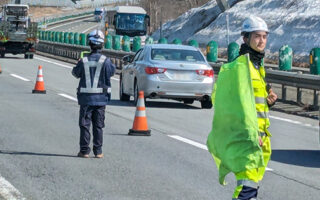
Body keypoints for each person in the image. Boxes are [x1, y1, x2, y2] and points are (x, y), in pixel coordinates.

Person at [207, 15, 277, 200]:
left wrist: (268, 100)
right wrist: (252, 134)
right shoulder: (240, 67)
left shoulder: (256, 66)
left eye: (264, 36)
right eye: (256, 36)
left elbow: (253, 101)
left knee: (251, 185)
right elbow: (239, 105)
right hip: (248, 136)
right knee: (247, 187)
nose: (261, 41)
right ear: (245, 38)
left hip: (259, 136)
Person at [72, 30, 115, 159]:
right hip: (101, 99)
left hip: (86, 99)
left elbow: (75, 73)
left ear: (89, 43)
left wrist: (78, 63)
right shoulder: (106, 61)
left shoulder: (84, 60)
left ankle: (84, 151)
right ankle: (98, 151)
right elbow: (111, 73)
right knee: (98, 125)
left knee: (85, 124)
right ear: (102, 45)